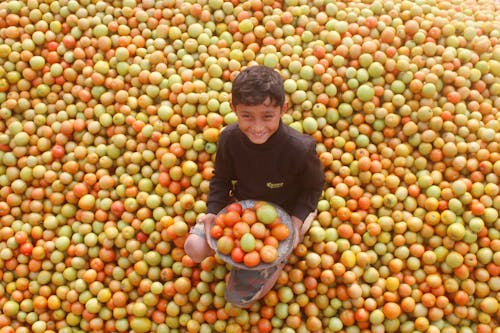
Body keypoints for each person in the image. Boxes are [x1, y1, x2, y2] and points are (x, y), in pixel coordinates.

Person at [184, 65, 325, 308]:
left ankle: (279, 257)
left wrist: (296, 221)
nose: (257, 127)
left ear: (283, 110)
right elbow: (221, 179)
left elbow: (313, 189)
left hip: (281, 216)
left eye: (267, 116)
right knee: (193, 247)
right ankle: (260, 255)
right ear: (233, 110)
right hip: (242, 210)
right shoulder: (229, 138)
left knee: (238, 299)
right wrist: (212, 212)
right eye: (247, 116)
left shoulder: (299, 149)